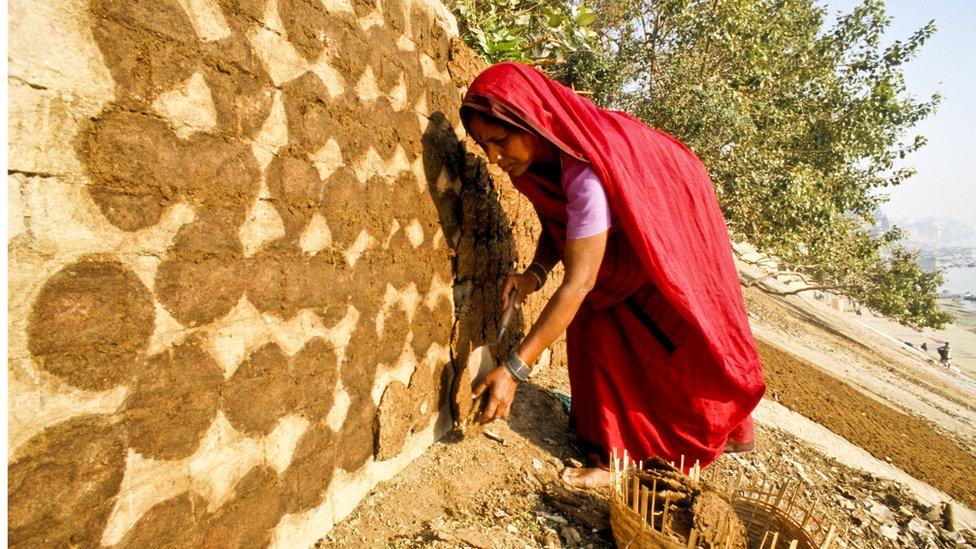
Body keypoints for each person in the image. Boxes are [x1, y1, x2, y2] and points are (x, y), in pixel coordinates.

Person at [463, 63, 765, 488]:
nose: (493, 158)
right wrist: (535, 272)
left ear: (532, 122)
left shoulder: (586, 174)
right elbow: (559, 220)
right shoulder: (538, 158)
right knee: (599, 338)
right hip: (617, 253)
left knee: (670, 357)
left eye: (498, 141)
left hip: (663, 246)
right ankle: (613, 447)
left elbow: (580, 282)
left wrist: (515, 369)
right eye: (483, 146)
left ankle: (639, 462)